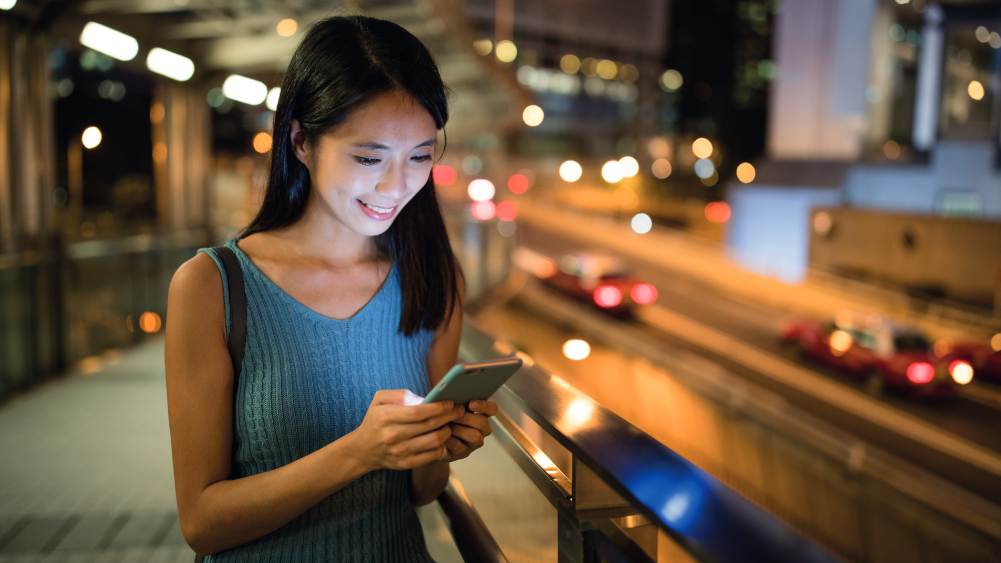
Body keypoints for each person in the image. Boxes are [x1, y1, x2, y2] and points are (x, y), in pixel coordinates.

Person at [164, 15, 497, 561]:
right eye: (369, 158)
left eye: (419, 156)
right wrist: (359, 452)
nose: (397, 186)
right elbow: (202, 522)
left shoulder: (433, 279)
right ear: (300, 140)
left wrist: (437, 446)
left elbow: (422, 490)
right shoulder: (212, 286)